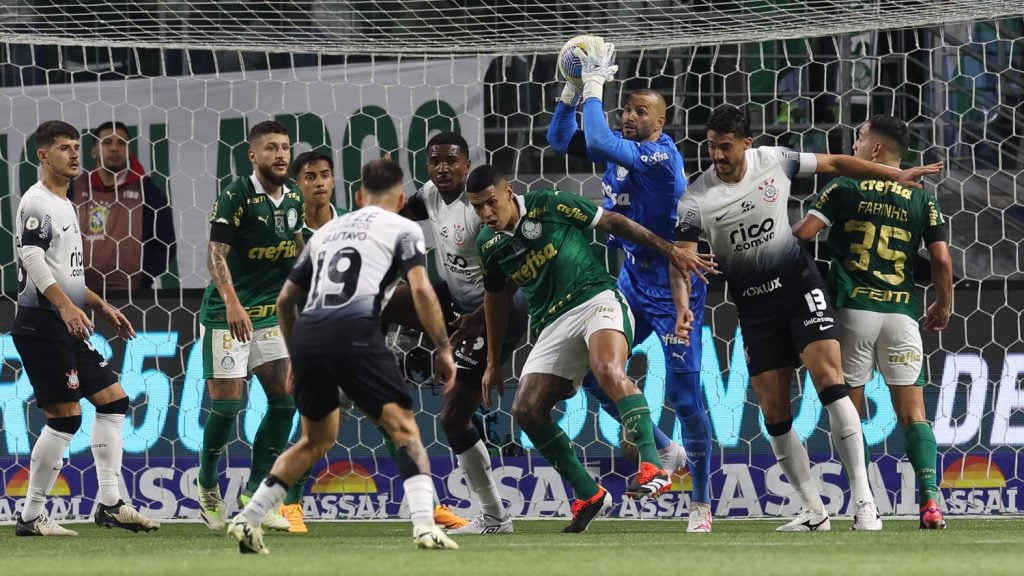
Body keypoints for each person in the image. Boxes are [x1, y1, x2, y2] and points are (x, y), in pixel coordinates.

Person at [674, 104, 943, 531]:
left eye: (725, 147)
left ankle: (865, 504)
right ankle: (814, 511)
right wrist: (683, 304)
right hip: (755, 308)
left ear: (747, 143)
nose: (717, 156)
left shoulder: (775, 160)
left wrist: (895, 174)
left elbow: (836, 162)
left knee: (830, 382)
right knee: (774, 411)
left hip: (800, 289)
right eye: (711, 147)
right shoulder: (695, 198)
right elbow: (683, 258)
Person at [229, 159, 459, 554]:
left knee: (314, 440)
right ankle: (424, 526)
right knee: (405, 428)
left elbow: (286, 300)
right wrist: (443, 347)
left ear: (357, 196)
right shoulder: (404, 228)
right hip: (356, 333)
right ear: (402, 199)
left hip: (309, 335)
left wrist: (297, 359)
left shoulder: (327, 232)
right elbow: (421, 290)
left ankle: (248, 520)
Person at [469, 164, 714, 534]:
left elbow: (613, 221)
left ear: (508, 192)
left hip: (596, 299)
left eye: (490, 203)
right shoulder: (489, 245)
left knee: (607, 370)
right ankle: (589, 494)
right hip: (551, 323)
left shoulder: (548, 204)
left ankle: (653, 463)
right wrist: (491, 361)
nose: (486, 214)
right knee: (526, 410)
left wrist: (670, 251)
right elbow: (495, 299)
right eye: (477, 208)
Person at [547, 40, 714, 532]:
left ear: (660, 124)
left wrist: (595, 84)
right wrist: (573, 88)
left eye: (640, 112)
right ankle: (664, 447)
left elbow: (596, 142)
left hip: (674, 287)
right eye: (626, 109)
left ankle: (701, 505)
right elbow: (560, 138)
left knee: (686, 399)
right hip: (632, 284)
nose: (629, 116)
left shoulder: (660, 159)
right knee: (595, 374)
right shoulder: (620, 150)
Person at [792, 115, 952, 530]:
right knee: (915, 415)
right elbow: (941, 260)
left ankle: (866, 505)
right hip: (902, 315)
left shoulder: (845, 185)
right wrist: (943, 305)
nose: (855, 143)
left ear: (876, 150)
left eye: (860, 137)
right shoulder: (923, 198)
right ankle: (931, 501)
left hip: (853, 311)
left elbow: (804, 234)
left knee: (849, 413)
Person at [11, 120, 159, 536]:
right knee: (65, 419)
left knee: (114, 400)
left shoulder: (66, 202)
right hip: (42, 324)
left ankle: (111, 502)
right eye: (63, 148)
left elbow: (68, 273)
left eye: (76, 147)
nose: (74, 154)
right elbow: (33, 259)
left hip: (68, 322)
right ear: (43, 155)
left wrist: (102, 306)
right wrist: (66, 308)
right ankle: (31, 516)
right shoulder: (37, 201)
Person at [378, 132, 523, 534]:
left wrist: (479, 317)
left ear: (467, 164)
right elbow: (400, 213)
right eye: (435, 160)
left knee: (454, 415)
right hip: (457, 305)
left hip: (495, 311)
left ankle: (495, 516)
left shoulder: (481, 206)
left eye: (451, 160)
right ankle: (393, 346)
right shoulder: (429, 194)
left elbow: (514, 272)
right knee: (379, 299)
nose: (443, 168)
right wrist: (389, 193)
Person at [195, 120, 304, 533]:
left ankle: (256, 493)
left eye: (285, 147)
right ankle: (207, 482)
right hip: (228, 312)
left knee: (285, 400)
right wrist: (234, 304)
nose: (281, 155)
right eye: (272, 148)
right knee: (227, 406)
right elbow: (215, 256)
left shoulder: (293, 196)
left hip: (270, 314)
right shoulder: (236, 196)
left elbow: (297, 249)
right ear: (253, 156)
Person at [69, 120, 176, 293]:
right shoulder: (74, 188)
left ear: (128, 151)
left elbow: (165, 243)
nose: (114, 148)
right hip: (79, 293)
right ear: (93, 151)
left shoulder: (148, 192)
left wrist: (143, 276)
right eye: (107, 142)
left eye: (121, 143)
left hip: (130, 294)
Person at [294, 150, 347, 243]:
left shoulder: (349, 222)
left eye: (325, 175)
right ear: (297, 186)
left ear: (333, 182)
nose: (320, 183)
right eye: (310, 177)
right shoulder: (289, 230)